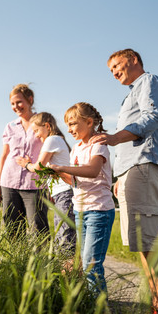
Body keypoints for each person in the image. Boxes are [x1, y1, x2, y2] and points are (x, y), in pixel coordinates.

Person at [92, 48, 158, 314]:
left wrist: (115, 138)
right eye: (111, 70)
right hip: (133, 170)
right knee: (142, 245)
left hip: (145, 166)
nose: (114, 72)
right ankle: (157, 305)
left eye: (117, 65)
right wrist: (121, 174)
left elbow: (151, 117)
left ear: (134, 60)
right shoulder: (131, 93)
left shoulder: (149, 82)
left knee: (151, 243)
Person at [50, 102, 115, 295]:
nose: (68, 129)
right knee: (86, 264)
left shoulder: (98, 144)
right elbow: (74, 180)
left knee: (91, 265)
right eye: (67, 125)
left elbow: (93, 171)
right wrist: (56, 173)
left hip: (98, 210)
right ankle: (92, 303)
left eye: (72, 124)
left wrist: (62, 168)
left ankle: (99, 306)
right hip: (80, 210)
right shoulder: (76, 148)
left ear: (88, 122)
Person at [15, 112, 76, 254]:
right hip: (63, 193)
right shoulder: (59, 139)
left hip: (64, 193)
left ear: (47, 126)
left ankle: (66, 274)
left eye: (36, 130)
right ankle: (71, 274)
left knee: (64, 240)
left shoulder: (52, 139)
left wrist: (26, 164)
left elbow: (39, 168)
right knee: (65, 237)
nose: (36, 135)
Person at [0, 84, 49, 237]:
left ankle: (41, 261)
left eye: (19, 102)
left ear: (30, 100)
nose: (16, 106)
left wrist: (50, 184)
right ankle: (17, 261)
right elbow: (4, 156)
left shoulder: (42, 122)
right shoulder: (10, 126)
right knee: (12, 228)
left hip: (35, 183)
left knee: (39, 227)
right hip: (9, 182)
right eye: (12, 103)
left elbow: (50, 150)